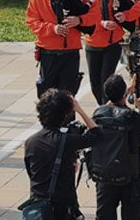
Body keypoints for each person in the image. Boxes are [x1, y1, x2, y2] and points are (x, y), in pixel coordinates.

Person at [23, 89, 100, 220]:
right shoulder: (67, 141)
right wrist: (80, 110)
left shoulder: (30, 142)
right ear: (65, 115)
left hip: (39, 207)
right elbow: (97, 135)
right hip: (63, 207)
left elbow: (31, 172)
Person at [25, 0, 92, 96]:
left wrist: (80, 20)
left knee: (68, 98)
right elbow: (32, 21)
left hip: (71, 52)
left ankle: (69, 119)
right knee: (48, 97)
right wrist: (52, 28)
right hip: (49, 53)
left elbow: (95, 15)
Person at [92, 75, 140, 220]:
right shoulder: (133, 117)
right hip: (131, 177)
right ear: (124, 95)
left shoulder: (98, 115)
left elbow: (110, 103)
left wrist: (127, 90)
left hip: (105, 178)